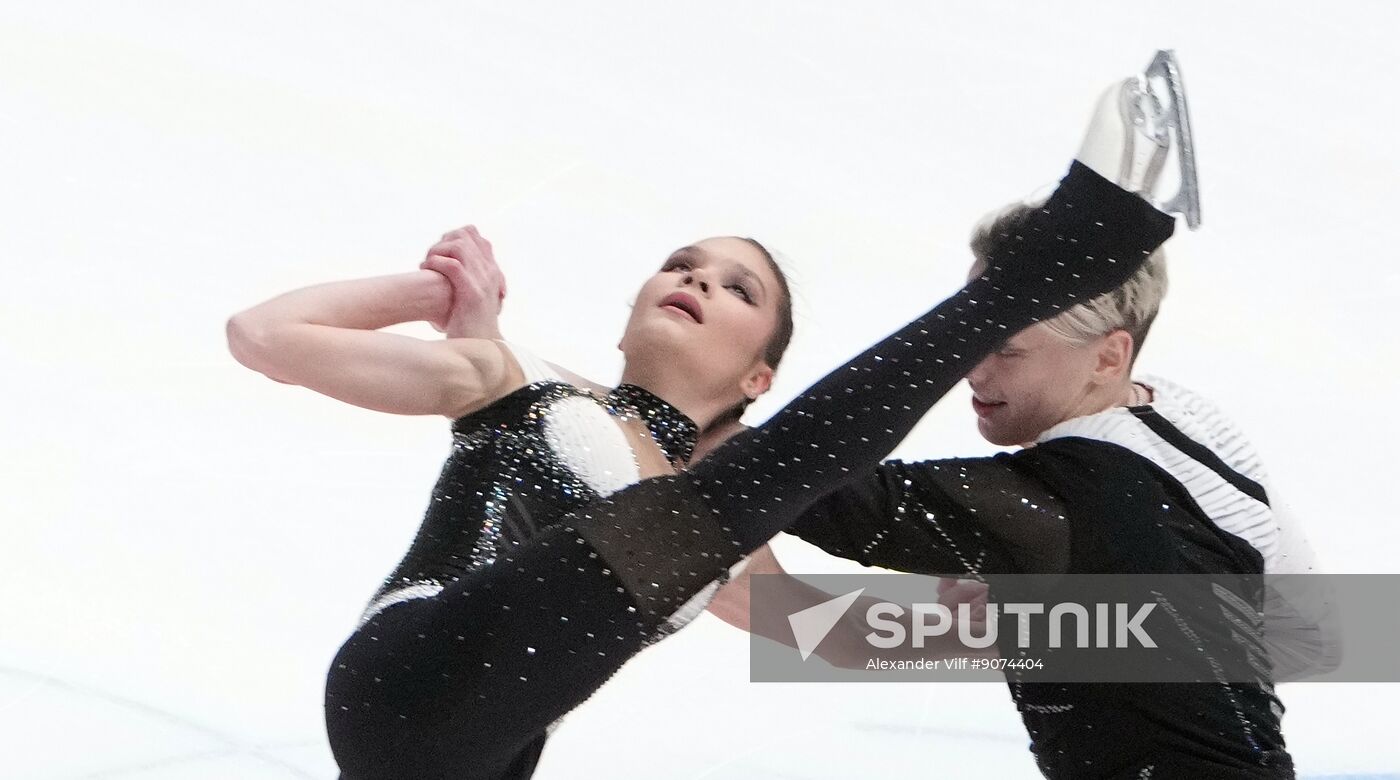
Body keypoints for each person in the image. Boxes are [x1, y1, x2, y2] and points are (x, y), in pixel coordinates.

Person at [227, 60, 1177, 778]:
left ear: (760, 374)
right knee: (744, 495)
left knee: (730, 504)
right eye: (683, 263)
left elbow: (842, 634)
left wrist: (1137, 632)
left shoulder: (715, 530)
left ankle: (1061, 260)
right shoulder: (519, 379)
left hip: (485, 760)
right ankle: (1055, 262)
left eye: (737, 288)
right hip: (404, 677)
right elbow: (266, 334)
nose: (695, 280)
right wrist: (433, 294)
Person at [711, 56, 1335, 779]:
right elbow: (1315, 638)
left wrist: (675, 411)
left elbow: (827, 496)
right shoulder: (1187, 427)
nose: (972, 370)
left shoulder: (1081, 490)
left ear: (1108, 356)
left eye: (1003, 345)